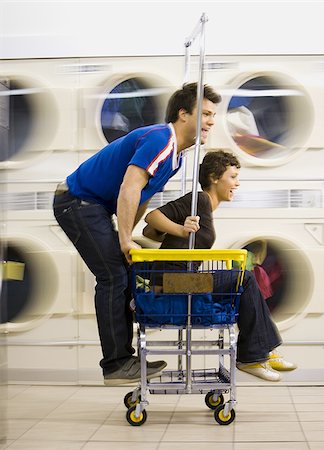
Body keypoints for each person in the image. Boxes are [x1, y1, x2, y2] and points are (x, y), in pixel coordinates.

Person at [53, 82, 222, 386]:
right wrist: (124, 239)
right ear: (183, 114)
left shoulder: (176, 157)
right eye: (206, 113)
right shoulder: (161, 140)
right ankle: (116, 364)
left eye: (213, 115)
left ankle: (124, 356)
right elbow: (129, 187)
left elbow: (142, 198)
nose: (211, 121)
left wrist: (128, 236)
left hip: (94, 207)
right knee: (113, 277)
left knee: (125, 272)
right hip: (77, 202)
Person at [143, 150, 296, 381]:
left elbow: (150, 233)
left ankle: (262, 351)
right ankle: (254, 355)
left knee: (243, 281)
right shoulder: (200, 199)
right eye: (232, 177)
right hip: (172, 283)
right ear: (214, 177)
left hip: (178, 281)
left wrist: (178, 229)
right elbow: (151, 217)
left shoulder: (204, 207)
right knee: (243, 278)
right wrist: (181, 229)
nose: (237, 183)